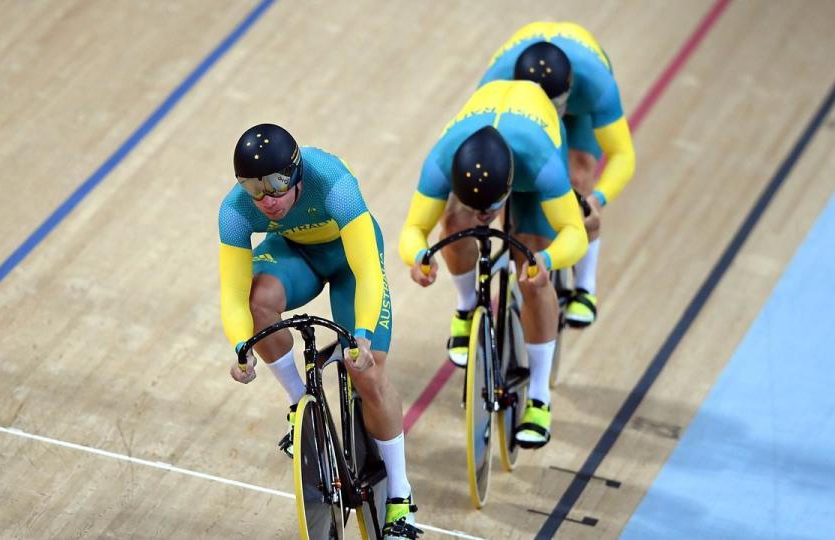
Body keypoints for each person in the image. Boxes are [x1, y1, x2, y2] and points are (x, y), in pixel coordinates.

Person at [219, 123, 421, 539]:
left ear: (295, 174)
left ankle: (400, 496)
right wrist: (241, 346)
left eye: (276, 185)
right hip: (295, 256)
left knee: (368, 373)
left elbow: (367, 271)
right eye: (254, 188)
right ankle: (301, 407)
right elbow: (233, 293)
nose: (266, 200)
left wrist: (363, 334)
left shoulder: (333, 183)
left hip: (349, 261)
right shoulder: (236, 209)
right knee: (259, 304)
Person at [399, 80, 587, 448]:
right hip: (485, 129)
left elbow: (574, 233)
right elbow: (413, 229)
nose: (486, 216)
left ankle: (538, 397)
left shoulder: (540, 163)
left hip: (535, 136)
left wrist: (547, 259)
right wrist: (418, 256)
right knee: (453, 224)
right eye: (478, 206)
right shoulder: (442, 160)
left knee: (532, 266)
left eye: (492, 207)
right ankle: (467, 306)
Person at [480, 22, 636, 327]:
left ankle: (585, 287)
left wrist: (596, 199)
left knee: (578, 176)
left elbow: (623, 155)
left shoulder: (595, 84)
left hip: (577, 113)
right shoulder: (496, 83)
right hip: (519, 112)